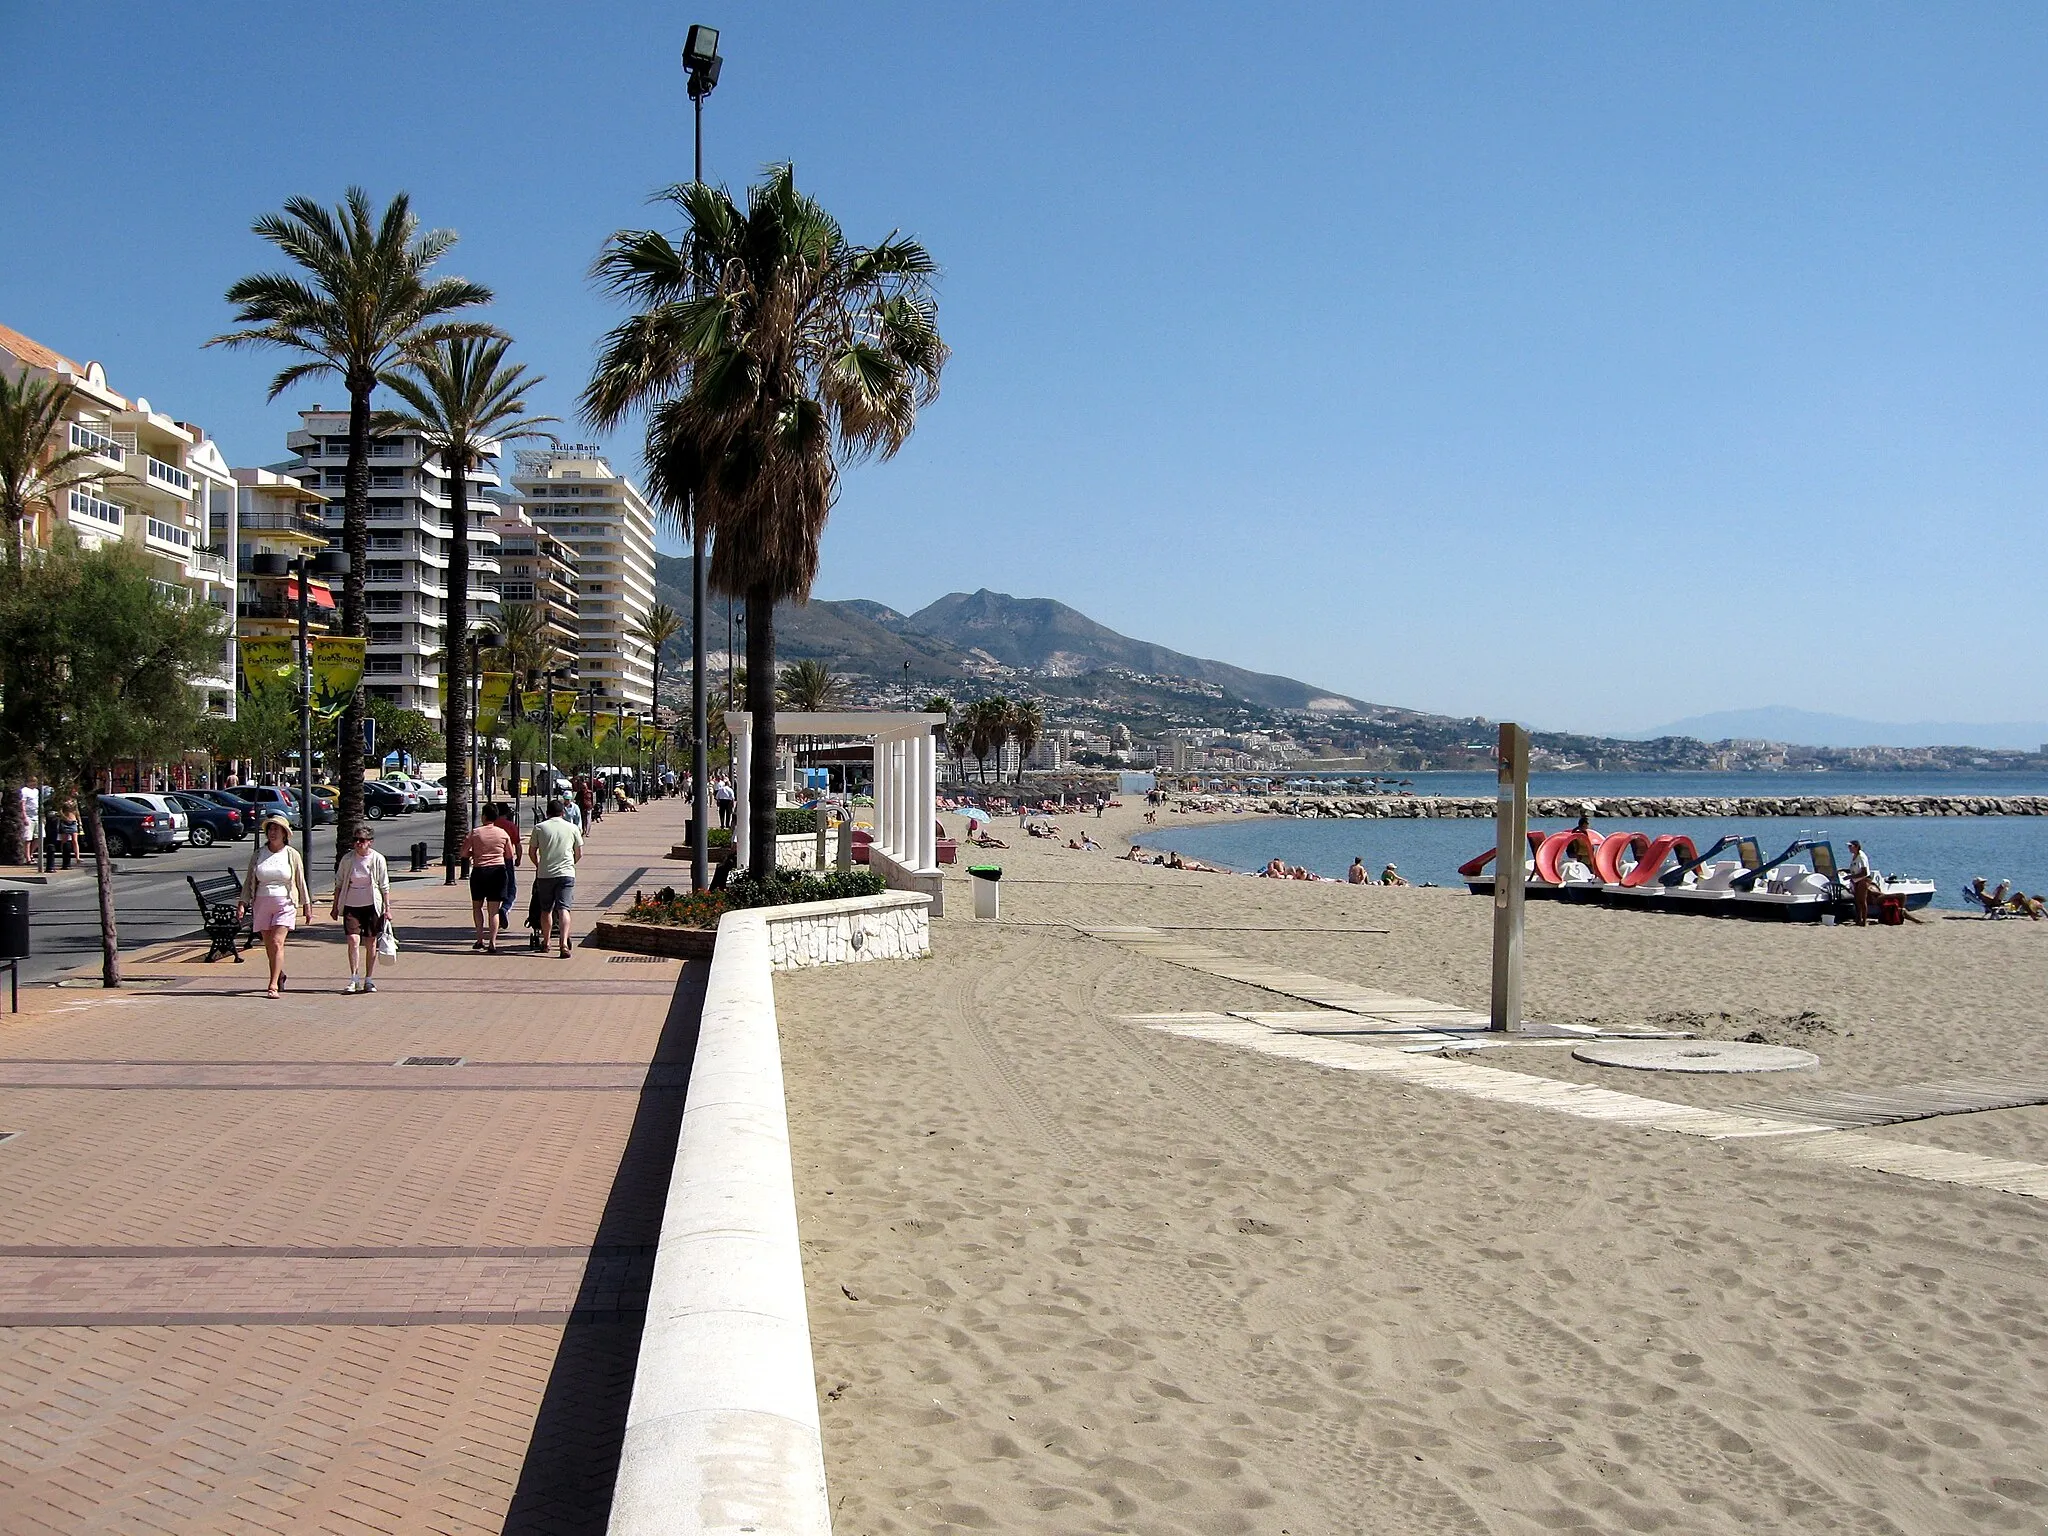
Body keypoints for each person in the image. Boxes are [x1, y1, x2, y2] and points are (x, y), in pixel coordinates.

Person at [239, 816, 311, 998]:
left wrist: (306, 905)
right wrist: (242, 903)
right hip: (262, 902)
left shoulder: (291, 854)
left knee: (277, 942)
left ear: (285, 834)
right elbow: (249, 881)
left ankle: (272, 985)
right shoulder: (259, 854)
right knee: (269, 945)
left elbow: (300, 880)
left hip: (285, 902)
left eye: (276, 830)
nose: (272, 833)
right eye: (270, 829)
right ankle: (279, 974)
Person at [331, 827, 392, 994]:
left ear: (370, 842)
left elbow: (384, 885)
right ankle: (354, 978)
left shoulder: (378, 859)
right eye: (356, 840)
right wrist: (335, 906)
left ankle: (369, 979)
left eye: (362, 840)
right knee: (353, 939)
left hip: (372, 905)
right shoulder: (348, 859)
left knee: (371, 941)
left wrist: (387, 909)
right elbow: (339, 883)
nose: (358, 843)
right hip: (351, 905)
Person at [528, 798, 585, 957]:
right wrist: (570, 864)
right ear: (563, 812)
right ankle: (563, 943)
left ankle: (546, 942)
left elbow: (532, 852)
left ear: (547, 813)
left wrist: (539, 865)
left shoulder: (539, 828)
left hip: (545, 874)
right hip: (566, 873)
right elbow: (579, 853)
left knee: (546, 910)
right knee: (564, 909)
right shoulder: (572, 828)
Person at [460, 810, 517, 952]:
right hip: (498, 872)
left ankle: (480, 939)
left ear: (484, 816)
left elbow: (463, 853)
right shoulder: (503, 833)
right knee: (494, 910)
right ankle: (492, 942)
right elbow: (509, 855)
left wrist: (475, 853)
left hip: (479, 872)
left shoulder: (475, 833)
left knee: (477, 907)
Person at [490, 801, 523, 931]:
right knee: (511, 888)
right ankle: (505, 908)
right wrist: (518, 859)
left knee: (494, 891)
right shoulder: (511, 826)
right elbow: (518, 846)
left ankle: (494, 915)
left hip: (491, 862)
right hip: (507, 860)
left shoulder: (491, 825)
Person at [1847, 839, 1879, 925]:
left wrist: (1850, 876)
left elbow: (1864, 872)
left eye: (1851, 846)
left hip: (1863, 879)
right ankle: (1858, 919)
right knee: (1857, 900)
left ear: (1856, 847)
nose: (1849, 848)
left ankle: (1864, 920)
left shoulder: (1861, 856)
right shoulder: (1855, 856)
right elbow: (1855, 869)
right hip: (1857, 880)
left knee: (1862, 900)